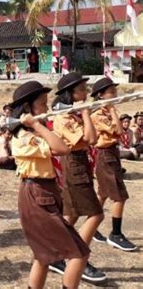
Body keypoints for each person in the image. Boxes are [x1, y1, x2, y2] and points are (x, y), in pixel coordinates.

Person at [10, 80, 89, 288]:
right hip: (37, 195)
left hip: (44, 192)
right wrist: (36, 124)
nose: (47, 108)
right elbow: (62, 148)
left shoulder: (36, 133)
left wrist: (39, 126)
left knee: (43, 257)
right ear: (28, 109)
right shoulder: (24, 137)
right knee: (79, 254)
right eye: (43, 104)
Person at [50, 73, 107, 282]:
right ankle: (78, 257)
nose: (86, 93)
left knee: (71, 215)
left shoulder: (73, 114)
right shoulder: (64, 118)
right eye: (82, 90)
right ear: (70, 94)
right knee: (96, 215)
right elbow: (91, 139)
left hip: (80, 163)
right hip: (74, 164)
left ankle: (56, 255)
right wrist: (85, 114)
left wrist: (83, 114)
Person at [90, 77, 137, 251]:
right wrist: (111, 109)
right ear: (101, 95)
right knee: (120, 196)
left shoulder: (110, 112)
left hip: (112, 153)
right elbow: (118, 130)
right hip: (105, 154)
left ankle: (92, 228)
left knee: (102, 193)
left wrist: (112, 110)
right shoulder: (98, 115)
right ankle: (115, 234)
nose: (115, 95)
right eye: (111, 92)